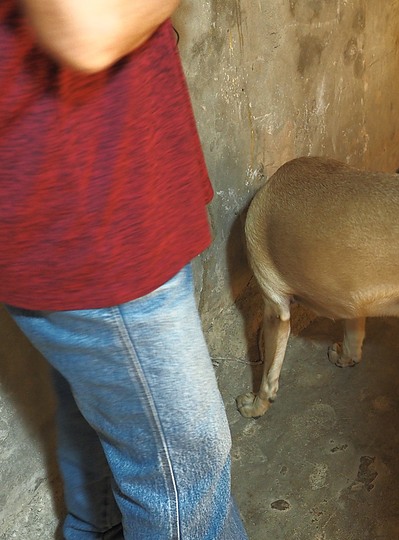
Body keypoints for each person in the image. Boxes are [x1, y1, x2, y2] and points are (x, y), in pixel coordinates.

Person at [1, 1, 249, 538]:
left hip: (85, 215)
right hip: (93, 227)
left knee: (101, 419)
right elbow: (88, 29)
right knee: (181, 474)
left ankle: (93, 528)